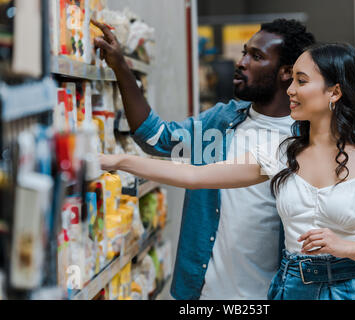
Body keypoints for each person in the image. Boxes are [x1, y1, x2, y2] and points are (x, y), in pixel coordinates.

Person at [99, 42, 355, 300]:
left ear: (334, 93)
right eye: (291, 80)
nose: (290, 89)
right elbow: (194, 176)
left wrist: (346, 247)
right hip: (289, 289)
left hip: (349, 290)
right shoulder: (282, 153)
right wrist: (118, 162)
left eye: (302, 81)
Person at [92, 19, 316, 299]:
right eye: (245, 51)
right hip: (203, 293)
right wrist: (121, 67)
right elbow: (157, 137)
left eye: (256, 56)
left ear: (286, 73)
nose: (241, 62)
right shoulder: (222, 121)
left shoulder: (307, 139)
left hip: (268, 294)